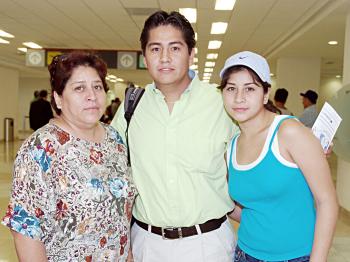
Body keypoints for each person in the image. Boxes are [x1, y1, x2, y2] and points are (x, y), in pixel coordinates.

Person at [111, 10, 238, 262]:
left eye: (175, 48)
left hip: (208, 243)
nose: (165, 58)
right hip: (146, 243)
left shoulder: (221, 103)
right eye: (155, 49)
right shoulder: (131, 107)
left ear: (191, 54)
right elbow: (101, 160)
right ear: (145, 57)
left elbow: (260, 150)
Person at [2, 52, 136, 261]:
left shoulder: (114, 139)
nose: (91, 95)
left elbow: (121, 217)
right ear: (58, 97)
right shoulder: (41, 148)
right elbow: (25, 229)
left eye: (97, 86)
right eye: (79, 88)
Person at [218, 51, 338, 262]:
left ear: (265, 94)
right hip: (245, 254)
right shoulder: (232, 145)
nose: (239, 98)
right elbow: (245, 209)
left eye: (250, 88)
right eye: (231, 88)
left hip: (295, 257)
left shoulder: (289, 132)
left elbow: (327, 201)